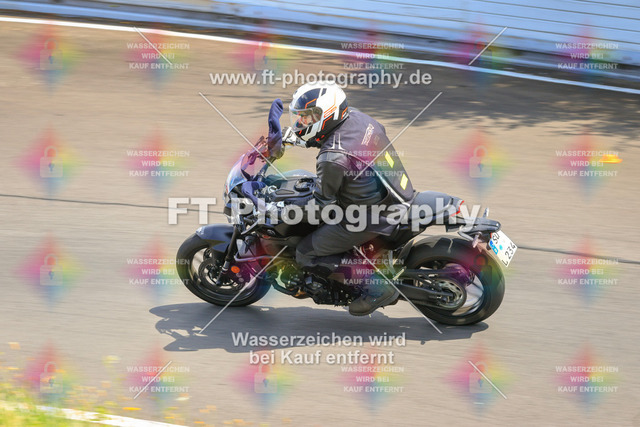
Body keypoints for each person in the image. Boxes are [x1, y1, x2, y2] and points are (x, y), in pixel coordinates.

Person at [282, 82, 416, 316]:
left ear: (326, 116)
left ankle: (377, 288)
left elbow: (321, 205)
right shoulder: (358, 118)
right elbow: (341, 141)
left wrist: (284, 210)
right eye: (300, 116)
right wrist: (301, 138)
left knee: (306, 252)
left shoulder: (332, 158)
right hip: (394, 192)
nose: (301, 122)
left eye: (307, 116)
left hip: (369, 216)